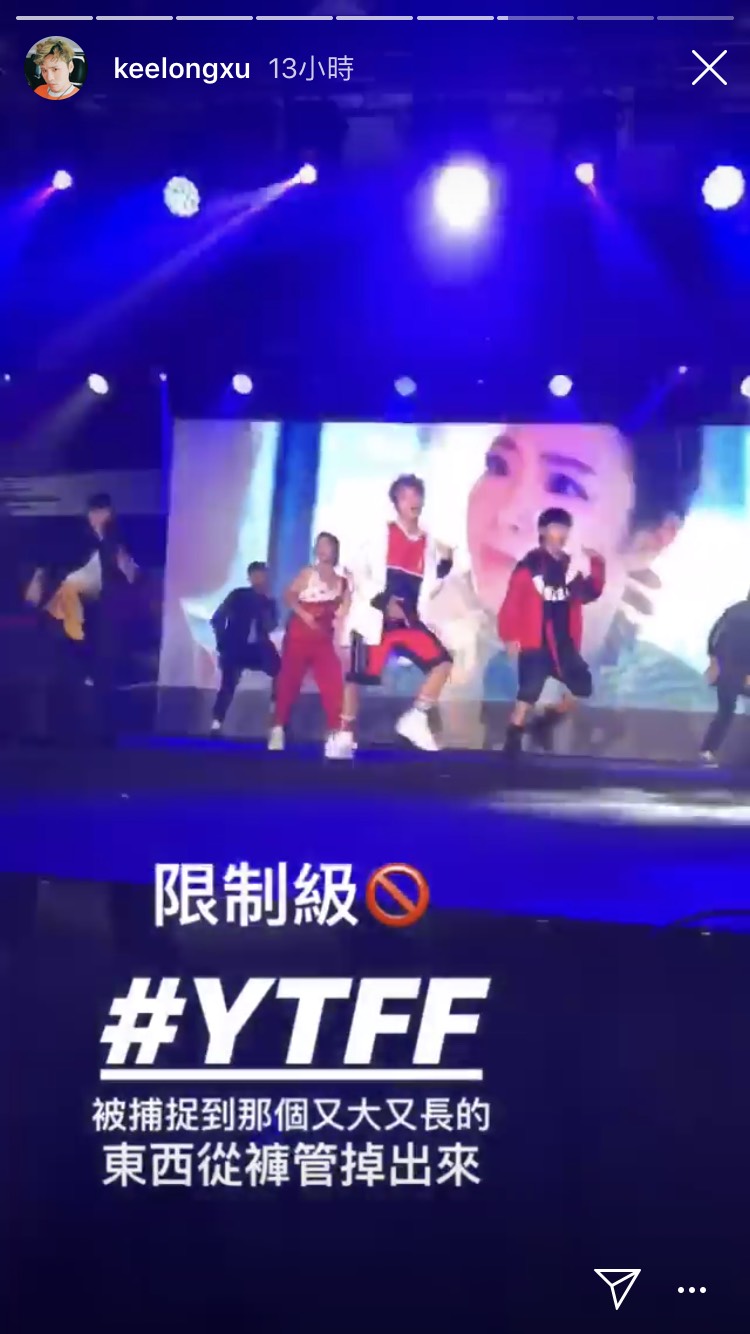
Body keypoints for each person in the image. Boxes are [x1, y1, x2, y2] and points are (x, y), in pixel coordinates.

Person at [327, 474, 454, 757]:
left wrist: (446, 564)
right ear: (396, 502)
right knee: (358, 676)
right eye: (406, 496)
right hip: (375, 616)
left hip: (407, 619)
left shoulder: (428, 541)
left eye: (417, 495)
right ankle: (344, 734)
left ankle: (416, 717)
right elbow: (356, 569)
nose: (413, 501)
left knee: (442, 662)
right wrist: (383, 601)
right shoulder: (380, 533)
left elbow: (429, 585)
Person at [498, 506, 605, 756]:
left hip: (563, 642)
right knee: (527, 694)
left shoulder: (569, 567)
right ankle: (512, 740)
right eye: (556, 528)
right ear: (543, 531)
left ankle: (544, 723)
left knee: (582, 687)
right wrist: (510, 636)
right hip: (536, 641)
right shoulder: (530, 565)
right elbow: (512, 601)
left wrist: (597, 564)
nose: (561, 534)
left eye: (565, 528)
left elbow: (590, 592)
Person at [268, 533, 349, 756]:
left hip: (323, 639)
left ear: (335, 550)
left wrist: (349, 592)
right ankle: (277, 729)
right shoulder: (308, 574)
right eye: (319, 545)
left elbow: (343, 610)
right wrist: (304, 614)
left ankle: (335, 734)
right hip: (299, 635)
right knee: (289, 683)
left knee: (333, 684)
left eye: (327, 545)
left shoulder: (341, 582)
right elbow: (289, 595)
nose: (323, 549)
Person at [210, 561, 280, 732]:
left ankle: (275, 710)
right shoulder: (238, 595)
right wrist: (222, 642)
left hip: (259, 647)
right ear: (249, 578)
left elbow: (271, 626)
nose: (259, 579)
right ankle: (217, 720)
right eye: (255, 576)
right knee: (228, 683)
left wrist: (265, 608)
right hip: (235, 646)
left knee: (281, 671)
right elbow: (217, 618)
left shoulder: (269, 602)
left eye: (262, 576)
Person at [699, 593, 750, 765]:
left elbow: (714, 637)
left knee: (725, 711)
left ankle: (707, 750)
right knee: (726, 711)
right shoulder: (738, 613)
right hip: (736, 669)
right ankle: (707, 750)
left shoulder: (732, 611)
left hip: (726, 669)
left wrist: (714, 661)